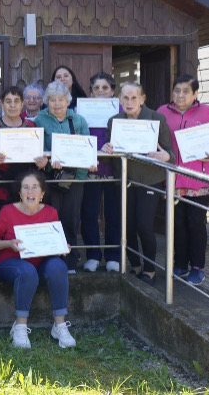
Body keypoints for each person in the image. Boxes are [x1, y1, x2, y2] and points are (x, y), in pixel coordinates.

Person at [0, 170, 78, 349]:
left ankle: (59, 326)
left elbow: (53, 242)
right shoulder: (7, 211)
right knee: (27, 271)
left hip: (39, 263)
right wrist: (8, 244)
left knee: (58, 266)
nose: (30, 192)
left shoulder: (50, 212)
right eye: (25, 187)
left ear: (42, 193)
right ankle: (20, 327)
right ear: (19, 193)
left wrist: (61, 247)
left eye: (35, 187)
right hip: (10, 263)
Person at [158, 74, 209, 285]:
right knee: (177, 224)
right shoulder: (162, 112)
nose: (180, 95)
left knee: (196, 224)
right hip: (172, 179)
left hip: (199, 180)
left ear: (195, 93)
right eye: (177, 91)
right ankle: (180, 264)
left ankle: (198, 267)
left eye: (186, 91)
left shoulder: (206, 112)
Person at [103, 81, 174, 283]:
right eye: (125, 97)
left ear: (142, 99)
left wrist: (165, 156)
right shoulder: (114, 121)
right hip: (125, 181)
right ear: (120, 99)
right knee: (127, 227)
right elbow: (110, 158)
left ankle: (150, 268)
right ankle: (135, 265)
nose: (129, 102)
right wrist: (106, 149)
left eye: (134, 97)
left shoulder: (157, 118)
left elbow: (170, 153)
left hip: (149, 181)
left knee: (144, 226)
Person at [0, 86, 48, 270]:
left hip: (26, 189)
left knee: (25, 227)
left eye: (16, 101)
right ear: (2, 104)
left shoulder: (33, 128)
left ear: (23, 104)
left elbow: (38, 159)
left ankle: (29, 263)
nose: (12, 105)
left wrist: (43, 163)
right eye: (8, 101)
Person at [33, 80, 95, 273]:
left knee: (70, 219)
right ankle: (50, 260)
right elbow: (37, 148)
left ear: (68, 101)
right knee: (50, 218)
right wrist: (47, 161)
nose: (57, 104)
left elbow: (87, 147)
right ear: (47, 102)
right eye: (52, 100)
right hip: (49, 177)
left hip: (74, 179)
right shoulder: (39, 120)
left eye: (61, 99)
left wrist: (88, 164)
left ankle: (70, 261)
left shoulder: (79, 120)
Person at [81, 72, 122, 273]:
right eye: (96, 88)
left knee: (114, 215)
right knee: (89, 214)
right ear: (91, 92)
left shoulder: (121, 110)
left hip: (115, 170)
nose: (100, 91)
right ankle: (93, 255)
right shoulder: (82, 110)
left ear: (112, 91)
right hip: (91, 170)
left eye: (105, 88)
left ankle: (113, 256)